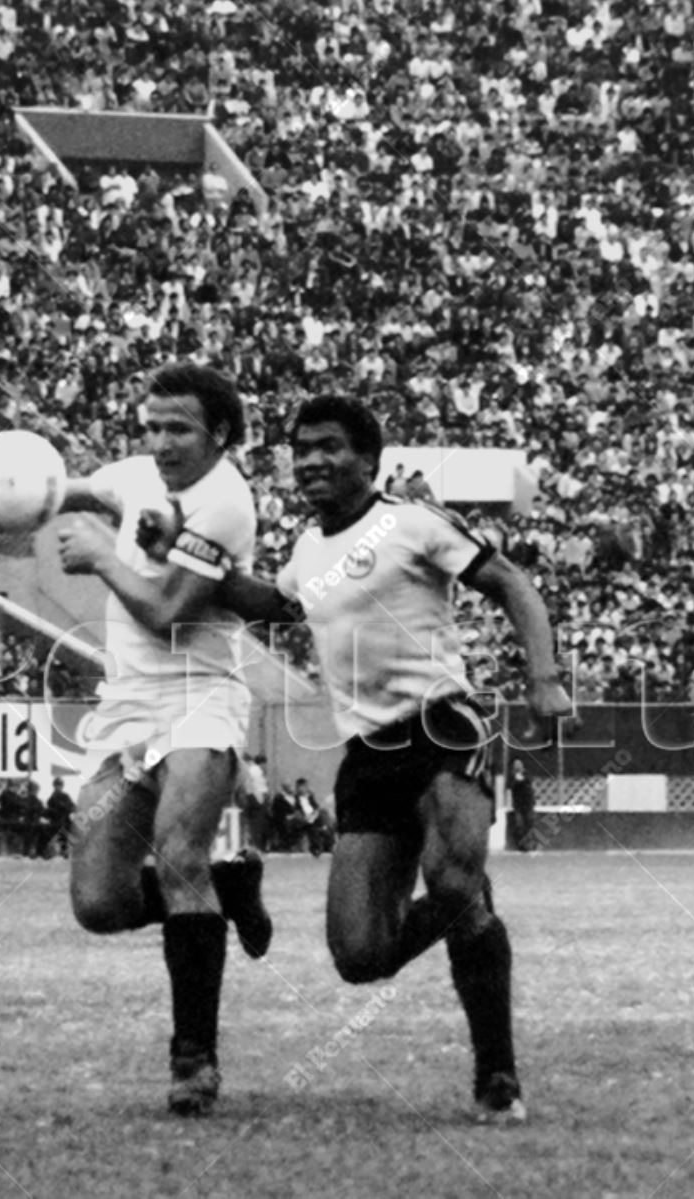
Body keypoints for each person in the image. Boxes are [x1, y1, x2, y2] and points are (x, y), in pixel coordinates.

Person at [156, 394, 572, 1123]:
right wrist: (181, 550)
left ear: (369, 459)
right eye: (300, 447)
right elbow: (264, 599)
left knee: (447, 876)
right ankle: (468, 902)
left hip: (444, 726)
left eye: (328, 446)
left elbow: (512, 584)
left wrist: (544, 680)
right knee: (360, 955)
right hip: (368, 755)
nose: (311, 459)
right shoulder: (310, 555)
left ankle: (497, 1075)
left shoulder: (412, 521)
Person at [0, 362, 272, 1117]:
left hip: (202, 698)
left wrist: (102, 555)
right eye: (153, 425)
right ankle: (228, 889)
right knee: (99, 902)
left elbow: (166, 610)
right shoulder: (138, 472)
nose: (160, 442)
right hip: (127, 709)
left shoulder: (226, 503)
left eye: (179, 429)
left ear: (220, 435)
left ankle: (193, 1059)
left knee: (178, 854)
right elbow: (64, 490)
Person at [507, 760, 537, 852]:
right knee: (519, 825)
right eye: (516, 765)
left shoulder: (527, 774)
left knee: (529, 824)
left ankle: (531, 844)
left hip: (528, 804)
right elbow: (510, 786)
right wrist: (516, 780)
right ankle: (521, 845)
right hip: (518, 805)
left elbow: (529, 783)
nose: (518, 766)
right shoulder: (512, 776)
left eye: (519, 765)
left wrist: (521, 779)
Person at [44, 777, 77, 859]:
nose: (58, 787)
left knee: (68, 838)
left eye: (60, 785)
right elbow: (51, 810)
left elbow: (73, 807)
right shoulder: (51, 798)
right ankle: (58, 853)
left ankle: (65, 853)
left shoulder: (65, 796)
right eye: (57, 785)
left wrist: (67, 809)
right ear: (54, 786)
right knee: (59, 838)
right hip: (56, 822)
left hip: (65, 821)